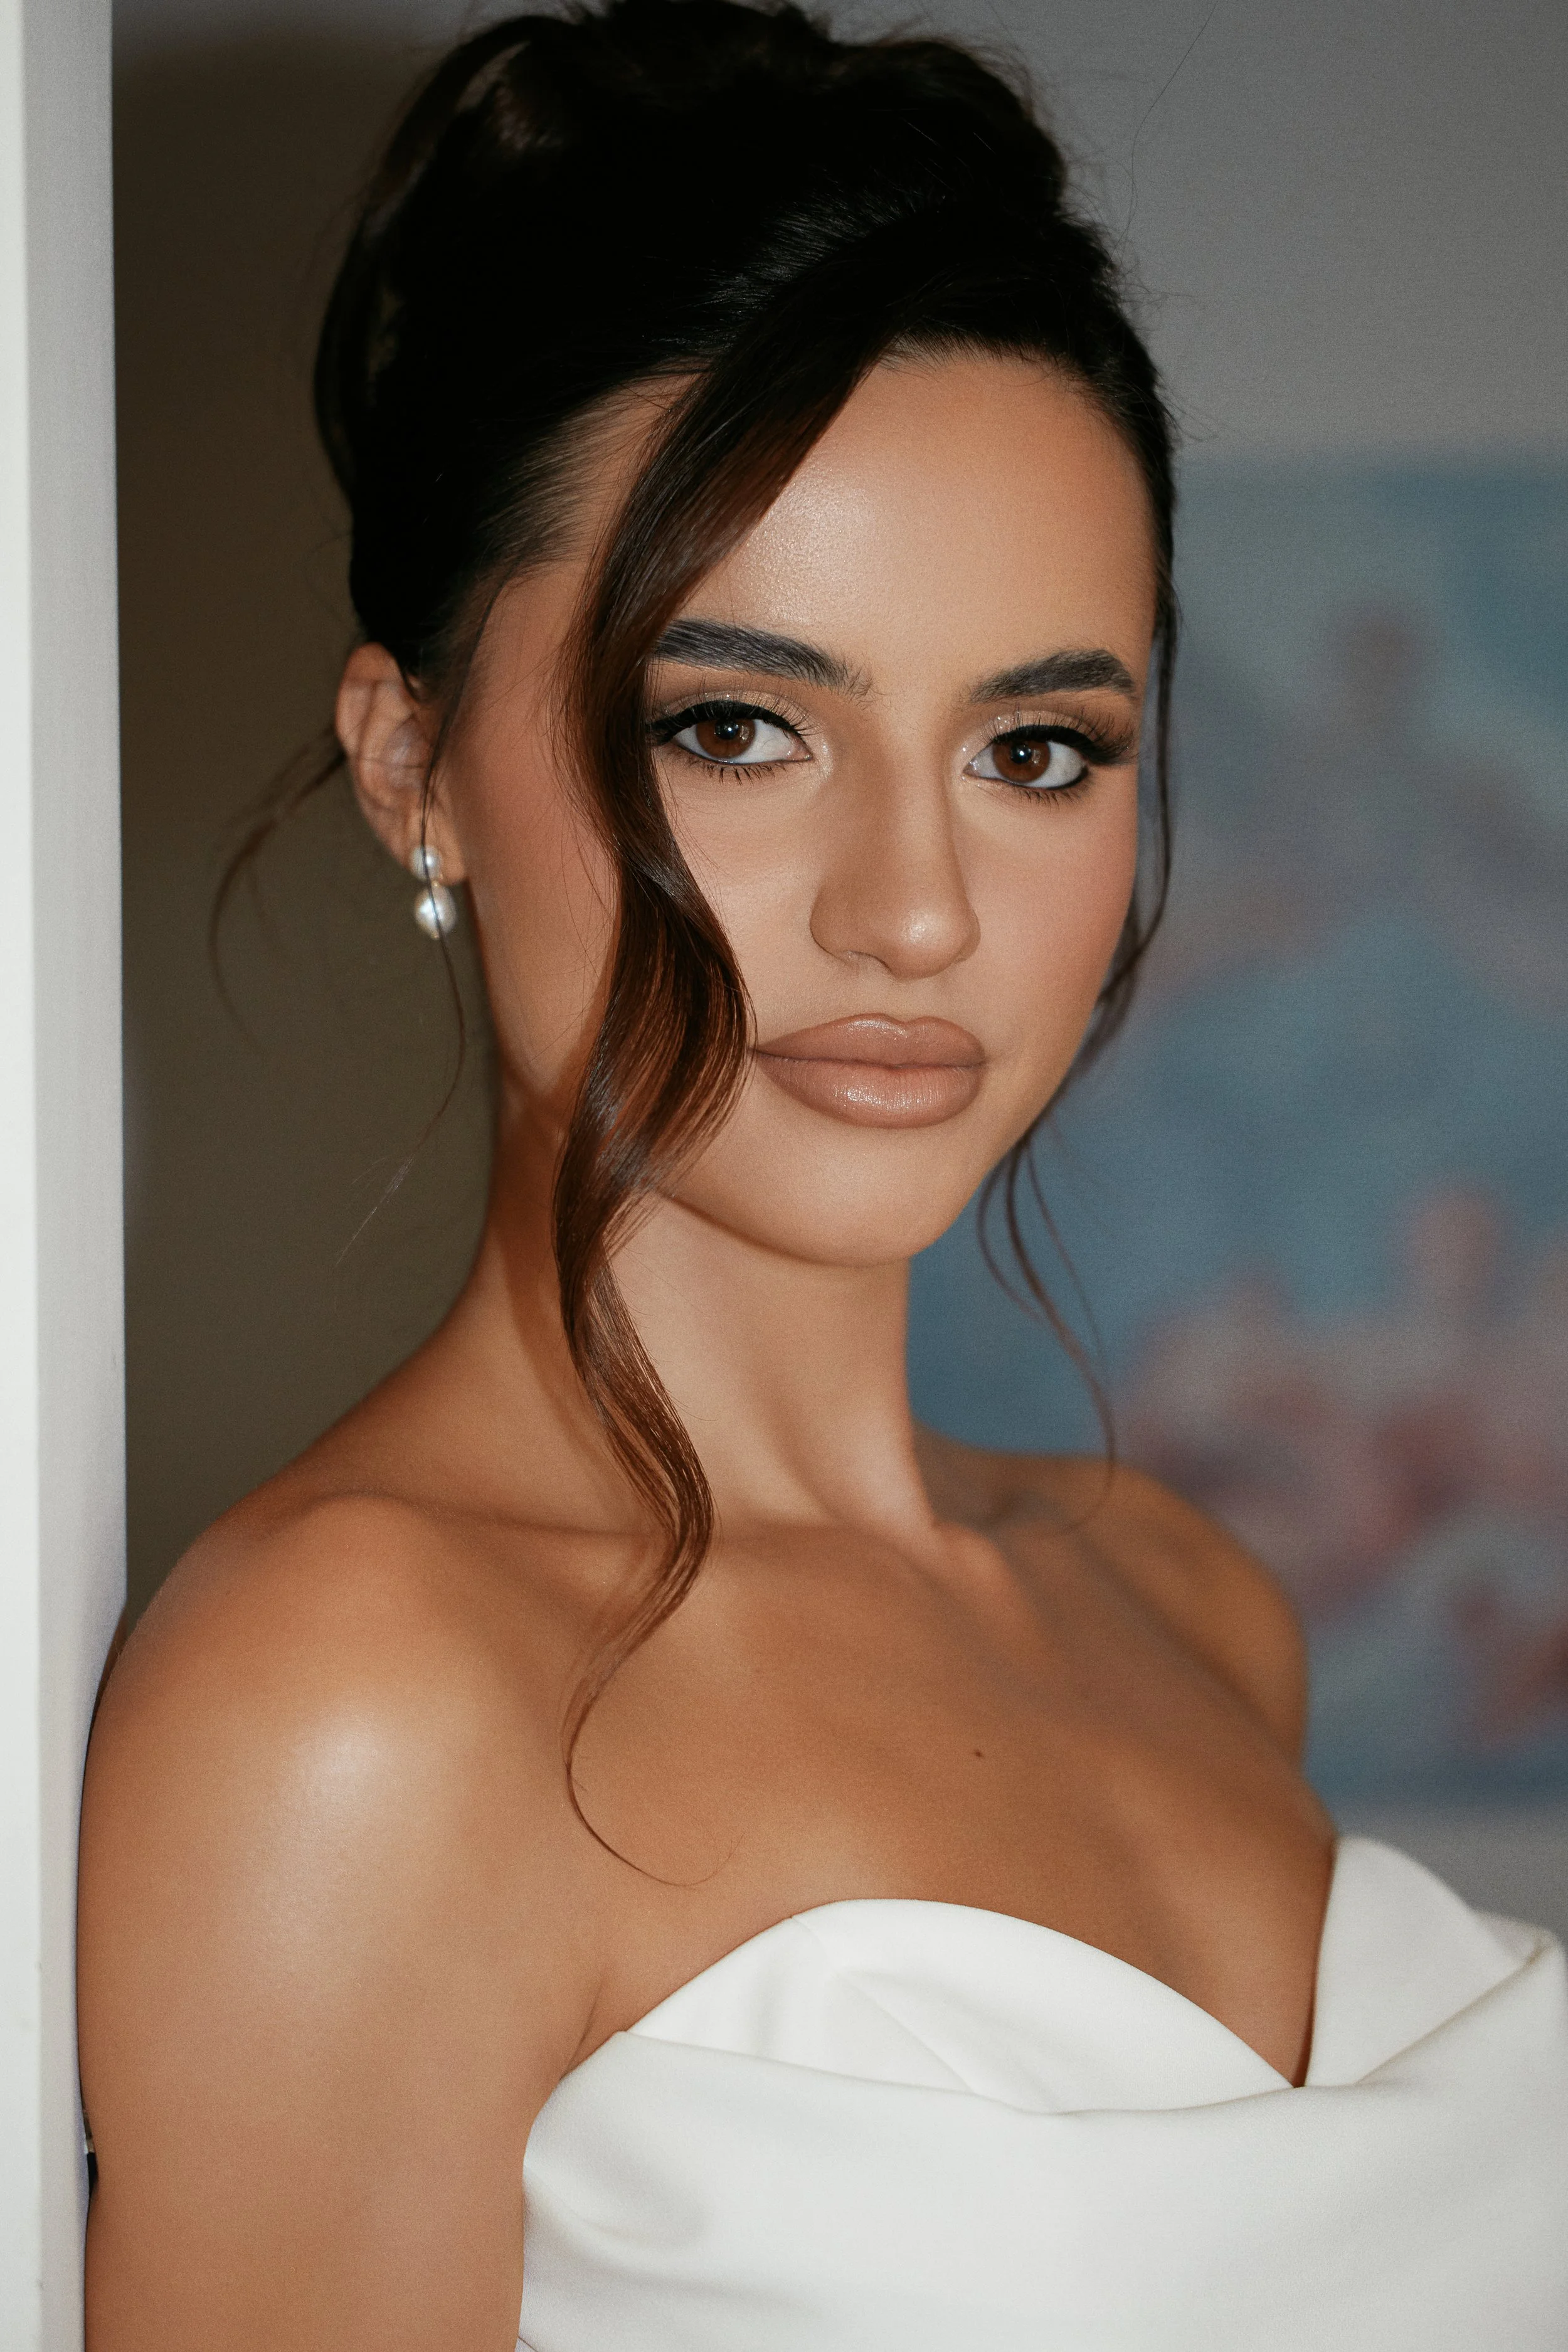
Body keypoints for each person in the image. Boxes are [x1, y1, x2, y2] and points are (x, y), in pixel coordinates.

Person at [76, 4, 1567, 2346]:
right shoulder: (353, 1711)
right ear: (411, 768)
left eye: (1039, 748)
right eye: (739, 724)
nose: (916, 911)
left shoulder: (1188, 1600)